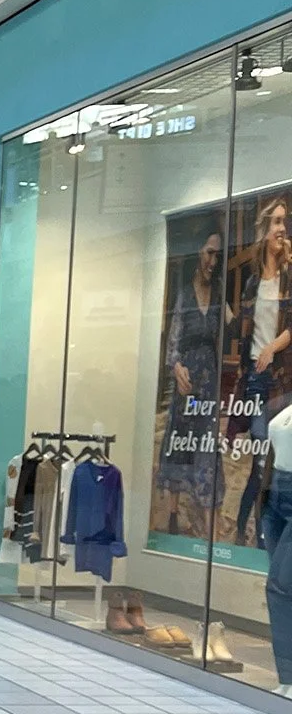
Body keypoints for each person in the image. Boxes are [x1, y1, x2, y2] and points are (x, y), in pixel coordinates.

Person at [157, 228, 229, 537]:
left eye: (218, 255)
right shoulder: (184, 295)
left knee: (206, 443)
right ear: (198, 252)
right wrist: (176, 367)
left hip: (208, 381)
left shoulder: (219, 294)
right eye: (209, 252)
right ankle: (173, 515)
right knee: (178, 441)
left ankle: (210, 523)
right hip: (187, 382)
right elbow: (172, 343)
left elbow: (233, 327)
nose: (213, 260)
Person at [236, 198, 292, 547]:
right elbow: (244, 333)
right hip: (255, 380)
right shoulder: (253, 282)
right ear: (264, 229)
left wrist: (271, 348)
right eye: (275, 222)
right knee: (260, 457)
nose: (282, 228)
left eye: (284, 222)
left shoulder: (290, 276)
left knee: (277, 456)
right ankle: (252, 527)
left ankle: (260, 527)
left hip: (280, 376)